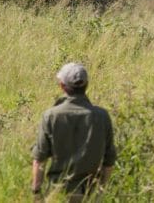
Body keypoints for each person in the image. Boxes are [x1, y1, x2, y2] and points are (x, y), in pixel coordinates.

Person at [31, 63, 116, 202]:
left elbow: (39, 160)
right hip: (89, 194)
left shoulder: (51, 116)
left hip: (58, 193)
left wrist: (36, 193)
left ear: (62, 86)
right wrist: (100, 193)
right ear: (86, 85)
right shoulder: (102, 116)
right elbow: (109, 160)